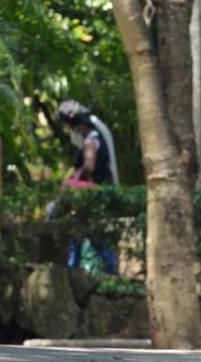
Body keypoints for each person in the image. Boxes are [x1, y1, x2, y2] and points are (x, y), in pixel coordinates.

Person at [56, 100, 120, 275]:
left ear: (77, 126)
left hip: (90, 197)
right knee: (82, 237)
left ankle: (109, 272)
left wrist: (75, 181)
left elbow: (89, 166)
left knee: (90, 237)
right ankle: (75, 273)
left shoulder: (90, 141)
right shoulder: (97, 138)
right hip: (97, 195)